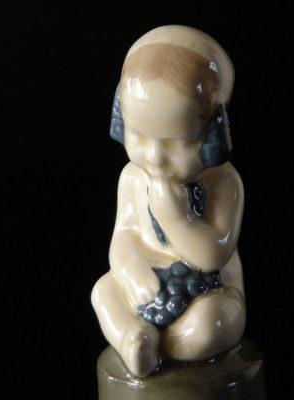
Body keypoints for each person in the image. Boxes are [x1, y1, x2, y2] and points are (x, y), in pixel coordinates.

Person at [91, 25, 246, 377]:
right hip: (147, 284)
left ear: (212, 133)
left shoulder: (225, 183)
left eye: (176, 143)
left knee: (212, 325)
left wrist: (178, 220)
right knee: (103, 291)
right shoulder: (133, 178)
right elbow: (123, 237)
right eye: (139, 135)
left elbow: (214, 254)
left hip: (207, 290)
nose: (154, 157)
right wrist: (132, 272)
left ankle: (171, 344)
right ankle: (134, 339)